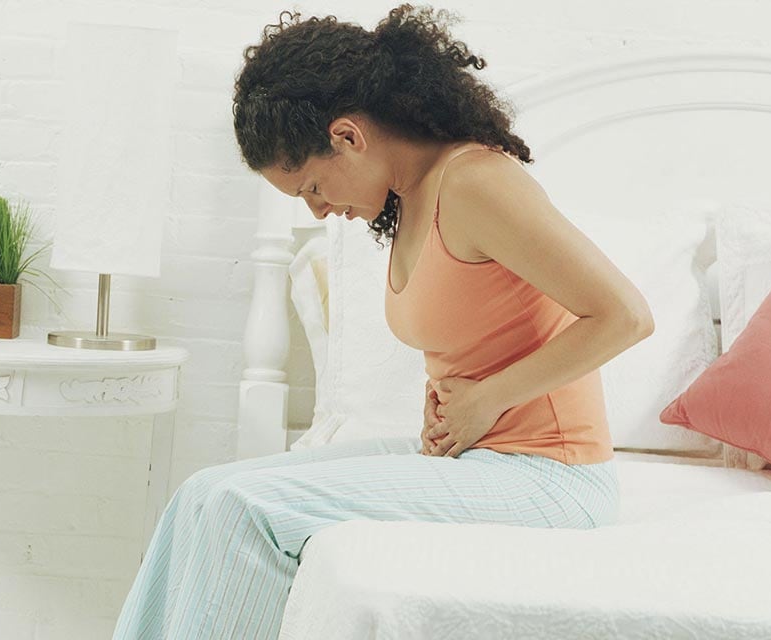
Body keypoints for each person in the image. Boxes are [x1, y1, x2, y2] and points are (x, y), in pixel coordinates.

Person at [112, 5, 655, 639]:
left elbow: (625, 316)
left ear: (348, 136)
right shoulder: (410, 197)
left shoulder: (477, 181)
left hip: (551, 478)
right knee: (201, 495)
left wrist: (486, 400)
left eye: (312, 186)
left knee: (245, 513)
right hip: (476, 461)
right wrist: (454, 401)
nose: (317, 211)